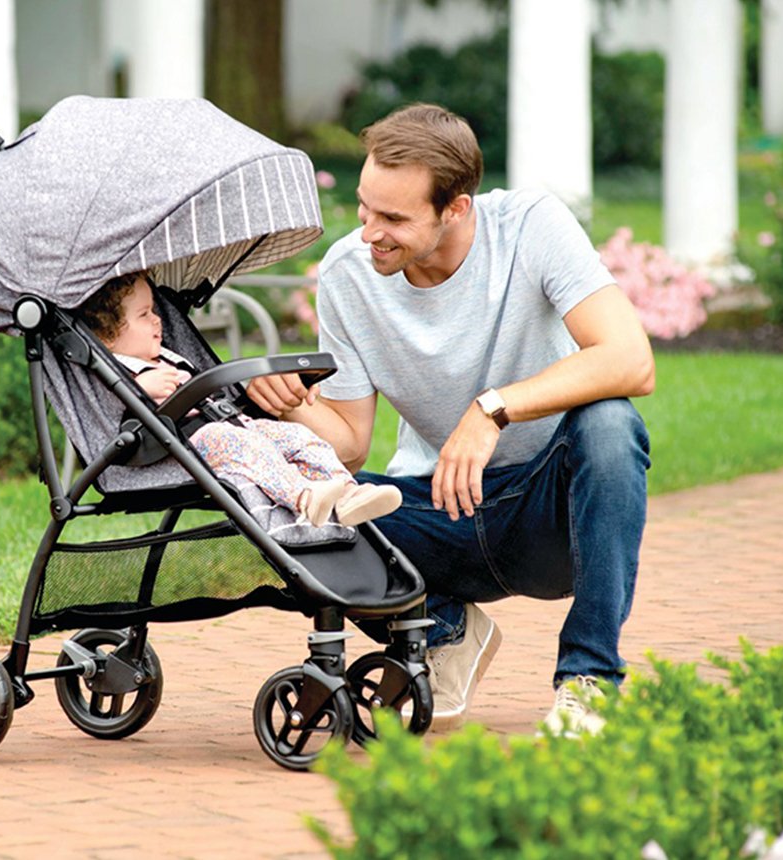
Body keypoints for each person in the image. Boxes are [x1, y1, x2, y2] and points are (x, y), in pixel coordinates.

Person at [246, 104, 654, 737]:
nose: (369, 232)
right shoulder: (348, 275)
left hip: (552, 513)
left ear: (456, 208)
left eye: (393, 219)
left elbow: (631, 359)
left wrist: (492, 409)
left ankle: (590, 680)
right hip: (440, 511)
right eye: (364, 208)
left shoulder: (529, 227)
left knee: (610, 424)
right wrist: (290, 402)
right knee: (290, 512)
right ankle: (446, 631)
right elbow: (349, 447)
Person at [73, 273, 403, 530]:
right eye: (144, 315)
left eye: (155, 311)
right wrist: (140, 390)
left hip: (235, 424)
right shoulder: (119, 374)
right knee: (244, 445)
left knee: (298, 437)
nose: (158, 320)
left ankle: (348, 493)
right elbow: (115, 420)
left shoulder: (169, 357)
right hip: (190, 444)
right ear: (107, 336)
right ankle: (304, 497)